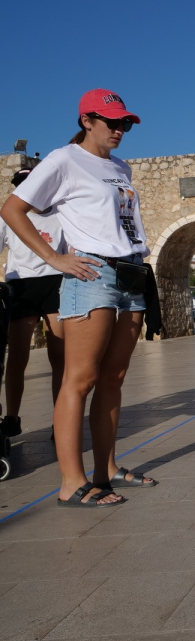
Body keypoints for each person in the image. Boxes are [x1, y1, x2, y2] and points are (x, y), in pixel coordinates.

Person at [0, 88, 155, 507]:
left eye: (124, 123)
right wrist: (55, 257)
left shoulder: (120, 166)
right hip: (92, 273)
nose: (119, 130)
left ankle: (106, 468)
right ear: (86, 121)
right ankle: (71, 481)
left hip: (130, 275)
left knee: (114, 378)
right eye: (111, 122)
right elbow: (12, 209)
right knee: (79, 378)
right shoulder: (64, 159)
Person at [0, 168, 68, 439]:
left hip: (56, 282)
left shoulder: (60, 214)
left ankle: (60, 418)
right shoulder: (9, 215)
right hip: (22, 285)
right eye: (20, 184)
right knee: (17, 356)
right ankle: (12, 417)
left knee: (60, 356)